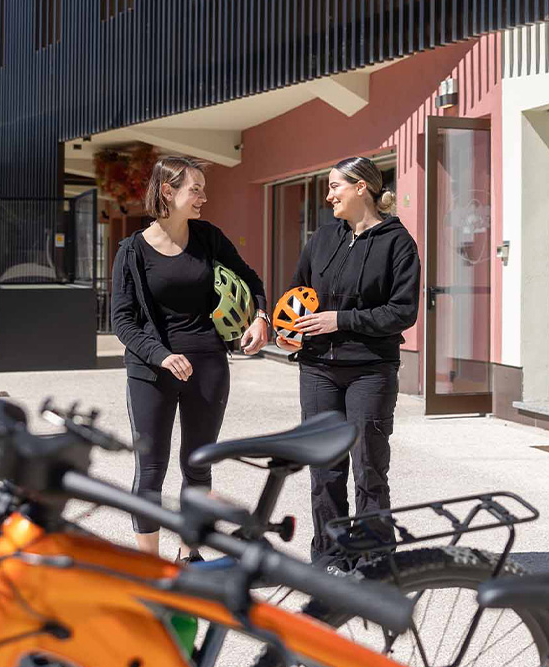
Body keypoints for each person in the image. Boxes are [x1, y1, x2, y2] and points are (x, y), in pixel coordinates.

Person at [111, 155, 269, 561]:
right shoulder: (131, 251)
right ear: (168, 191)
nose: (203, 197)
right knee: (151, 469)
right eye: (194, 189)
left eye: (202, 189)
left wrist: (261, 317)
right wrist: (161, 355)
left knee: (198, 465)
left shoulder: (208, 237)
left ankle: (189, 556)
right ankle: (149, 565)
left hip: (209, 366)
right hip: (151, 371)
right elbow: (122, 321)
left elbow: (250, 279)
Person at [276, 156, 421, 568]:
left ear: (361, 188)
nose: (329, 195)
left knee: (369, 469)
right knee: (324, 470)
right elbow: (297, 295)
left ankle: (373, 561)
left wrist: (340, 319)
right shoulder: (322, 239)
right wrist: (290, 330)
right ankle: (328, 560)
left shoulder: (397, 243)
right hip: (318, 367)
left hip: (370, 369)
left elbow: (403, 311)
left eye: (335, 186)